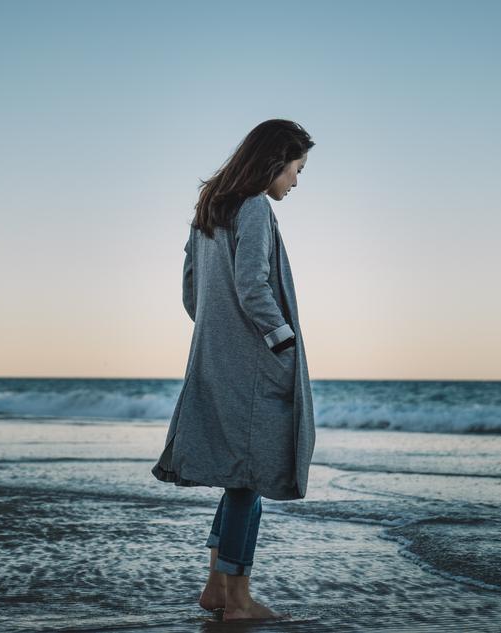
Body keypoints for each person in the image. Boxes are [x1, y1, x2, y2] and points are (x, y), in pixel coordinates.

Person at [151, 119, 316, 621]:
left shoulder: (208, 212)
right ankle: (238, 600)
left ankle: (216, 589)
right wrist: (280, 340)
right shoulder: (255, 208)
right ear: (274, 161)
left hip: (215, 360)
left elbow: (190, 292)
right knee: (250, 477)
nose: (296, 181)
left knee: (240, 479)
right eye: (296, 169)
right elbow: (252, 287)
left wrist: (218, 334)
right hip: (255, 363)